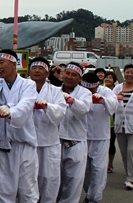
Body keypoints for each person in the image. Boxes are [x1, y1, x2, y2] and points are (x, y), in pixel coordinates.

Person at [0, 49, 39, 203]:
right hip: (1, 146)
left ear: (14, 63)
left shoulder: (28, 84)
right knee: (2, 191)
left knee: (27, 191)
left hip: (24, 146)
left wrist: (10, 111)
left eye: (2, 62)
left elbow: (25, 105)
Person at [29, 57, 66, 203]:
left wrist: (47, 106)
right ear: (29, 71)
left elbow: (61, 111)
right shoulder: (23, 88)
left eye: (41, 69)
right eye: (34, 68)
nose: (37, 71)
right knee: (28, 180)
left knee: (49, 179)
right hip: (28, 142)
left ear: (47, 73)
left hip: (49, 142)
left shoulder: (55, 91)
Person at [57, 62, 92, 203]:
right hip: (56, 142)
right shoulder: (54, 90)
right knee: (54, 180)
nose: (69, 77)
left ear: (80, 79)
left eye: (74, 75)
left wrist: (72, 101)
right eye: (68, 73)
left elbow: (83, 109)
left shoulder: (85, 93)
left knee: (73, 182)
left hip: (76, 142)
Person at [81, 72, 119, 203]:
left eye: (91, 89)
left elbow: (114, 105)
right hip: (82, 136)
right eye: (87, 89)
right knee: (84, 170)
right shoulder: (80, 90)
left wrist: (103, 100)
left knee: (98, 169)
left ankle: (94, 198)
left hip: (101, 137)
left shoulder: (106, 91)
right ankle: (89, 193)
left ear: (97, 85)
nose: (89, 91)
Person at [104, 71, 118, 173]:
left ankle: (110, 164)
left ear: (114, 80)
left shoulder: (117, 91)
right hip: (102, 123)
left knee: (111, 144)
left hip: (113, 123)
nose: (108, 79)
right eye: (107, 77)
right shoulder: (100, 89)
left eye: (110, 78)